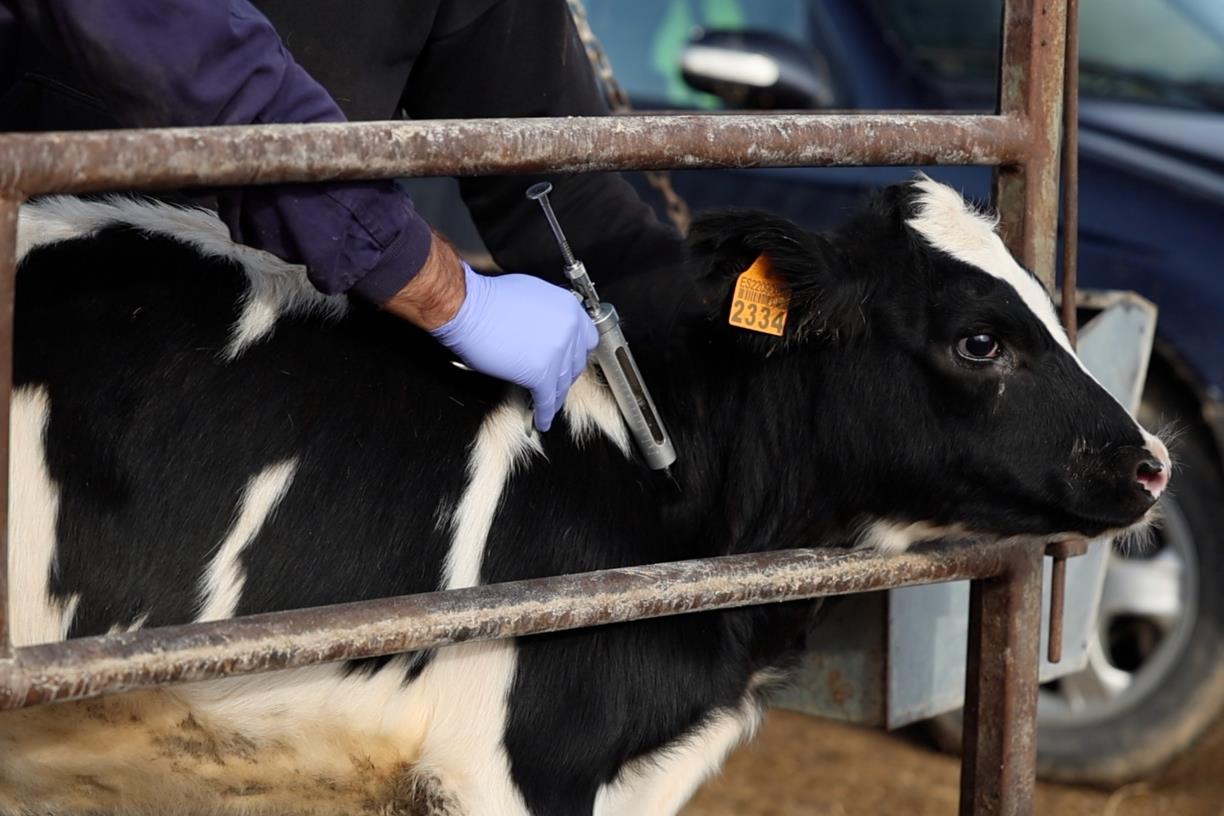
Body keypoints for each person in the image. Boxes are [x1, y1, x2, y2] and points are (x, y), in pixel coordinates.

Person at [0, 0, 681, 432]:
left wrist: (716, 309)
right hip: (42, 357)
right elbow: (171, 42)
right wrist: (451, 295)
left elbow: (554, 182)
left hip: (267, 422)